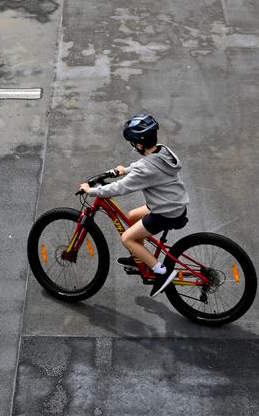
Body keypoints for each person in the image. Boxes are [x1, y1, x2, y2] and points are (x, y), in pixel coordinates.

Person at [79, 114, 188, 297]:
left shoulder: (144, 168)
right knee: (132, 216)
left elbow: (121, 187)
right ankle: (140, 257)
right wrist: (126, 170)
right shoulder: (163, 151)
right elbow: (149, 162)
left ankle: (161, 272)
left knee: (127, 239)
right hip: (174, 204)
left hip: (164, 212)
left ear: (139, 144)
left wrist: (91, 191)